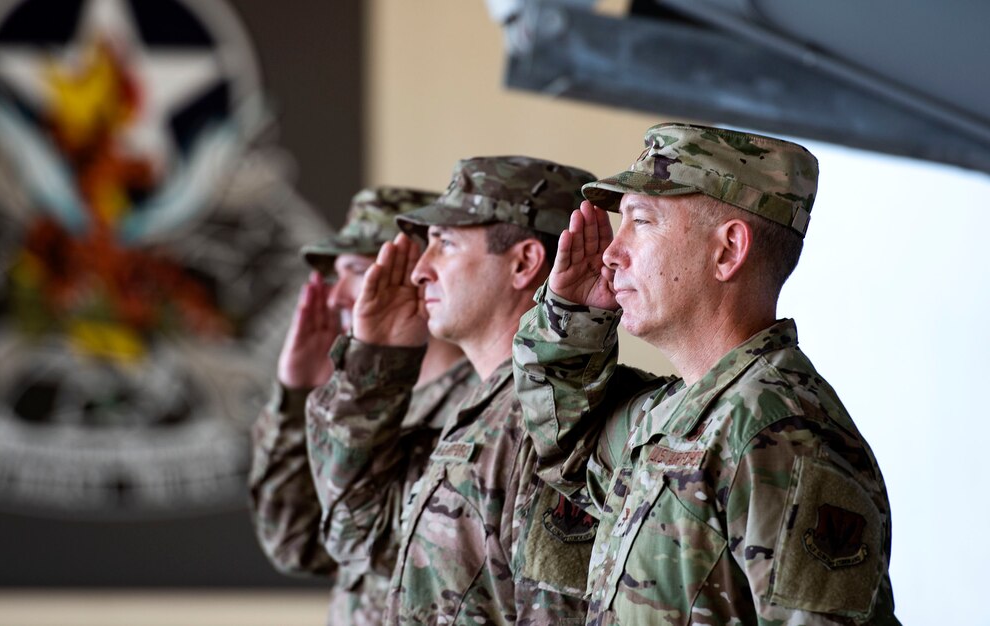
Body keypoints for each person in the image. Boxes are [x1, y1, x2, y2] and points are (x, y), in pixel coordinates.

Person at [513, 123, 899, 624]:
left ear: (728, 250)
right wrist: (572, 317)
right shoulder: (672, 414)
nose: (611, 252)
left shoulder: (785, 436)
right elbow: (567, 445)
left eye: (642, 221)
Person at [307, 156, 600, 625]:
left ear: (523, 262)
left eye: (444, 243)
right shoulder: (480, 409)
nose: (420, 270)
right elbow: (358, 537)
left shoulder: (550, 420)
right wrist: (375, 363)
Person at [248, 187, 474, 626]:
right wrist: (296, 395)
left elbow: (394, 553)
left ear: (416, 273)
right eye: (337, 275)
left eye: (355, 270)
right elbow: (296, 544)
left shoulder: (476, 403)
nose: (336, 297)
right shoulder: (364, 403)